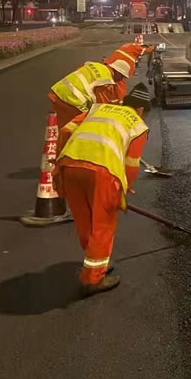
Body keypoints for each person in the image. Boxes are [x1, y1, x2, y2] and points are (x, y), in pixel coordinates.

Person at [53, 83, 151, 296]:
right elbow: (131, 164)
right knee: (102, 225)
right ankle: (93, 279)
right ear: (141, 109)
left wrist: (59, 161)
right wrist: (124, 188)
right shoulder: (138, 125)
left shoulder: (98, 108)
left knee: (84, 220)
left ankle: (96, 264)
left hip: (70, 164)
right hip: (102, 173)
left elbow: (66, 130)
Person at [48, 59, 131, 129]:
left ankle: (57, 140)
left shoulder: (95, 65)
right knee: (75, 127)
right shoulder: (106, 81)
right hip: (72, 100)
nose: (121, 80)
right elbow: (101, 106)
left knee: (61, 125)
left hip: (59, 91)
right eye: (122, 77)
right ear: (117, 72)